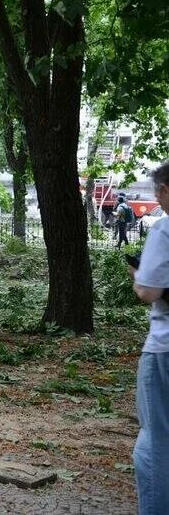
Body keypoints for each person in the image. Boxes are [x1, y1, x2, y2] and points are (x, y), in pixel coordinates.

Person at [130, 162, 169, 515]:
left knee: (155, 444)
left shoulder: (165, 229)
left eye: (158, 191)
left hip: (165, 349)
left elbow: (149, 289)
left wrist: (137, 276)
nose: (156, 198)